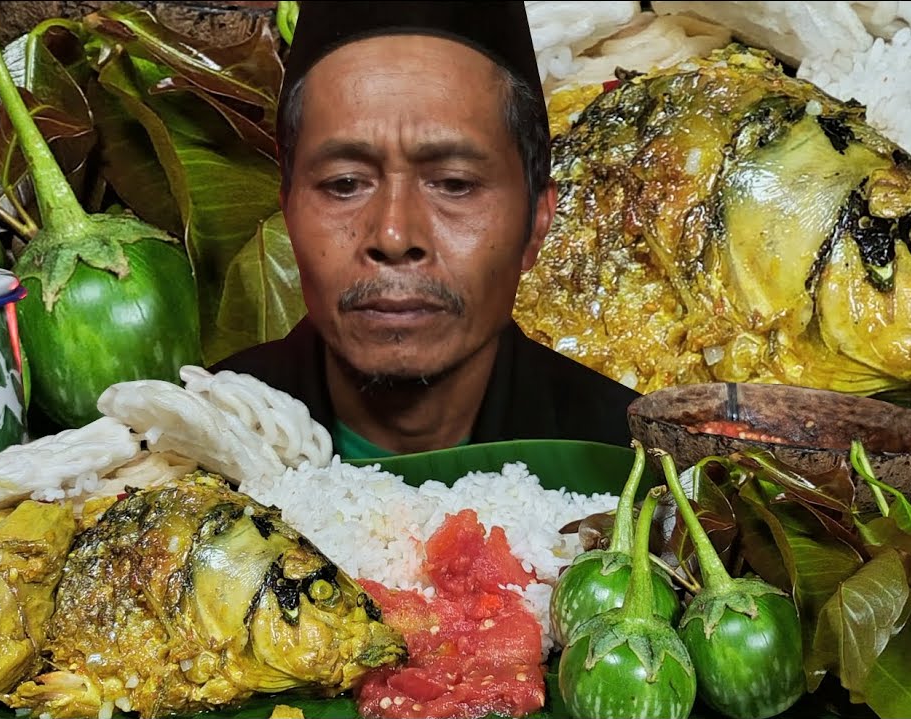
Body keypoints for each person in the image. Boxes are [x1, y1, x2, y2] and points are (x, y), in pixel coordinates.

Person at [209, 0, 641, 459]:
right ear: (289, 213)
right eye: (345, 184)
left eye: (454, 185)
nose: (394, 237)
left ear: (536, 221)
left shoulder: (636, 472)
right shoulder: (168, 453)